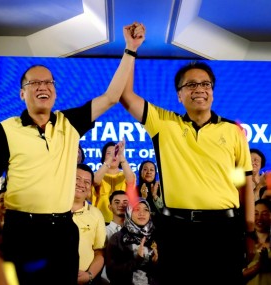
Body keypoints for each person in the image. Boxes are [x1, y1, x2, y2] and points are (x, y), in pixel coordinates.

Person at [0, 22, 145, 285]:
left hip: (62, 231)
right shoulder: (7, 129)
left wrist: (130, 49)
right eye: (35, 82)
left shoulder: (70, 123)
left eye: (48, 82)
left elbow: (112, 96)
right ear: (22, 93)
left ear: (55, 91)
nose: (43, 86)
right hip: (21, 230)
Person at [120, 41, 255, 284]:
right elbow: (126, 96)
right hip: (178, 230)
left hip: (224, 230)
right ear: (179, 95)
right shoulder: (164, 124)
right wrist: (131, 49)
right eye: (191, 84)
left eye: (205, 84)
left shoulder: (233, 131)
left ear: (212, 91)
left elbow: (243, 183)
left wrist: (249, 230)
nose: (199, 89)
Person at [105, 197, 159, 285]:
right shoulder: (118, 238)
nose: (142, 213)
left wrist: (155, 263)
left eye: (146, 210)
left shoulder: (155, 236)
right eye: (136, 209)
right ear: (129, 212)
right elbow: (111, 273)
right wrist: (136, 261)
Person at [72, 164, 106, 285]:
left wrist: (89, 275)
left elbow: (100, 251)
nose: (81, 184)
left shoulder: (96, 214)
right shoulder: (50, 209)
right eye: (77, 178)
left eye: (87, 182)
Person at [92, 138, 135, 223]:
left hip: (122, 221)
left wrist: (121, 155)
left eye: (116, 153)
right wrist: (109, 160)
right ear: (103, 156)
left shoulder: (125, 175)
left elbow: (131, 181)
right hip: (100, 221)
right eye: (109, 153)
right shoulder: (97, 174)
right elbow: (95, 181)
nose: (113, 155)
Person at [243, 199, 271, 284]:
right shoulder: (244, 242)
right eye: (255, 214)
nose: (259, 218)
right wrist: (258, 266)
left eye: (265, 214)